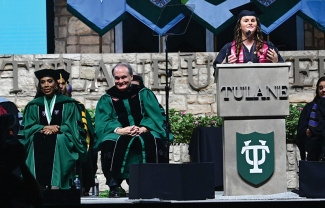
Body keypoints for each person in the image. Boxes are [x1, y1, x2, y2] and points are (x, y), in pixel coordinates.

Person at [95, 63, 172, 197]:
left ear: (131, 76)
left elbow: (154, 114)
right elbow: (104, 121)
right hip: (120, 132)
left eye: (123, 77)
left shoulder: (144, 93)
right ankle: (114, 185)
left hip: (144, 129)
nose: (120, 81)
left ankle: (152, 184)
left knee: (154, 139)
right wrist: (119, 130)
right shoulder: (107, 98)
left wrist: (143, 128)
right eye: (117, 78)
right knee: (109, 141)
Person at [20, 69, 87, 190]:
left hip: (62, 136)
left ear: (56, 84)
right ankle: (37, 186)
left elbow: (73, 126)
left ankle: (57, 183)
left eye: (50, 81)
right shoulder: (33, 105)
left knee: (59, 139)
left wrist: (59, 128)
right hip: (39, 135)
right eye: (42, 82)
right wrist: (44, 127)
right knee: (36, 139)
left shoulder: (69, 104)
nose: (46, 85)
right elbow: (28, 127)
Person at [57, 69, 97, 196]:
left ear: (67, 86)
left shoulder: (77, 105)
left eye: (62, 83)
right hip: (55, 140)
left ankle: (84, 186)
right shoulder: (43, 105)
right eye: (57, 83)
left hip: (75, 139)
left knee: (89, 150)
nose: (60, 86)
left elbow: (84, 128)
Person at [213, 2, 284, 66]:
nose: (250, 23)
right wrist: (223, 65)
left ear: (257, 25)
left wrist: (276, 62)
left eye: (253, 20)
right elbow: (216, 72)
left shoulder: (268, 47)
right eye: (246, 21)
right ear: (239, 26)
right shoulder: (229, 48)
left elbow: (283, 71)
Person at [297, 77, 325, 161]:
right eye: (321, 88)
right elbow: (301, 128)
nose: (323, 90)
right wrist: (306, 131)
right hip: (314, 150)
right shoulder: (309, 107)